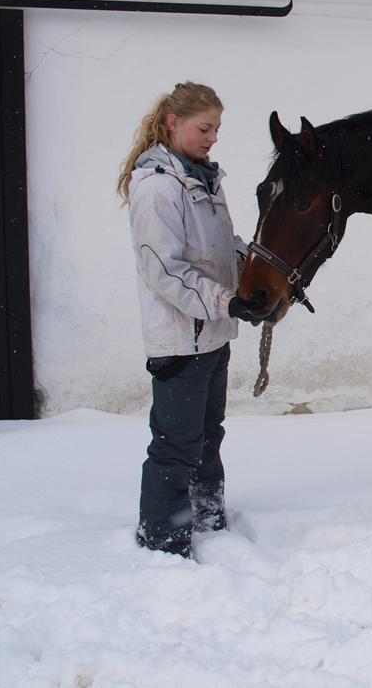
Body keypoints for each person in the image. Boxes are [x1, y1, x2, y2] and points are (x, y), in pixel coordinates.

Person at [117, 81, 249, 558]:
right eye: (204, 128)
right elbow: (165, 270)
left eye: (217, 129)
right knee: (176, 444)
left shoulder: (204, 180)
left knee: (209, 435)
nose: (213, 138)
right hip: (179, 340)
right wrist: (225, 302)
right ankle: (163, 541)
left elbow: (223, 249)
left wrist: (257, 273)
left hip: (212, 336)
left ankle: (208, 518)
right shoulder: (157, 188)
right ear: (173, 123)